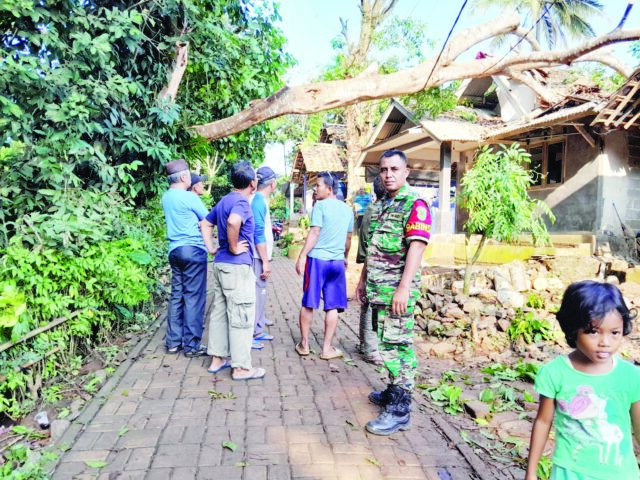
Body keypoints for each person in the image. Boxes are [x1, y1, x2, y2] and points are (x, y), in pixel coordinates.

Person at [525, 280, 640, 480]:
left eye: (615, 333)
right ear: (573, 330)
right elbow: (543, 422)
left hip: (621, 474)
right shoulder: (555, 374)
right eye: (593, 332)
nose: (605, 343)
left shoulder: (630, 376)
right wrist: (531, 472)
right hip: (569, 472)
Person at [356, 149, 431, 436]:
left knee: (398, 347)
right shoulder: (385, 204)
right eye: (384, 170)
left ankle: (400, 409)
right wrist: (363, 280)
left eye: (394, 169)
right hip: (379, 290)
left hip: (397, 293)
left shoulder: (415, 203)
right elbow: (374, 250)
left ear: (406, 172)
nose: (388, 174)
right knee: (388, 344)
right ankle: (393, 390)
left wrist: (403, 288)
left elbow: (417, 247)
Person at [201, 161, 266, 381]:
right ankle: (241, 368)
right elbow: (233, 222)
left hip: (221, 266)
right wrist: (234, 246)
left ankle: (218, 359)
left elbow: (205, 224)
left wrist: (212, 248)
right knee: (241, 314)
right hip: (236, 267)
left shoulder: (225, 200)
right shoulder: (241, 202)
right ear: (252, 183)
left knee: (220, 312)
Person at [295, 172, 353, 360]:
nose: (315, 188)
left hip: (317, 262)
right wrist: (344, 257)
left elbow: (315, 232)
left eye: (318, 185)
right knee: (333, 306)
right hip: (337, 263)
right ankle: (327, 349)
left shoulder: (320, 206)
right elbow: (348, 238)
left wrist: (302, 255)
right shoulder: (347, 210)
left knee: (309, 303)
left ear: (329, 189)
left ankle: (304, 345)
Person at [161, 159, 209, 357]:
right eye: (189, 174)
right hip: (193, 250)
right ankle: (191, 346)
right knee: (194, 297)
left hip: (175, 251)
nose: (190, 177)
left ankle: (173, 342)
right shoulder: (189, 198)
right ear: (183, 177)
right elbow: (208, 219)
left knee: (177, 295)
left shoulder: (166, 197)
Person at [355, 176, 386, 365]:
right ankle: (371, 348)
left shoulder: (373, 209)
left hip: (374, 262)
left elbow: (363, 238)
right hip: (377, 263)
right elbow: (367, 240)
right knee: (372, 305)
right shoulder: (376, 210)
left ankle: (366, 344)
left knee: (368, 303)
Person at [251, 166, 278, 348]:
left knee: (261, 293)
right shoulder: (258, 201)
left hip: (259, 255)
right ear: (272, 183)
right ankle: (252, 333)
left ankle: (258, 329)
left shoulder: (259, 199)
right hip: (257, 256)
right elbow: (258, 233)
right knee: (256, 294)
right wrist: (265, 261)